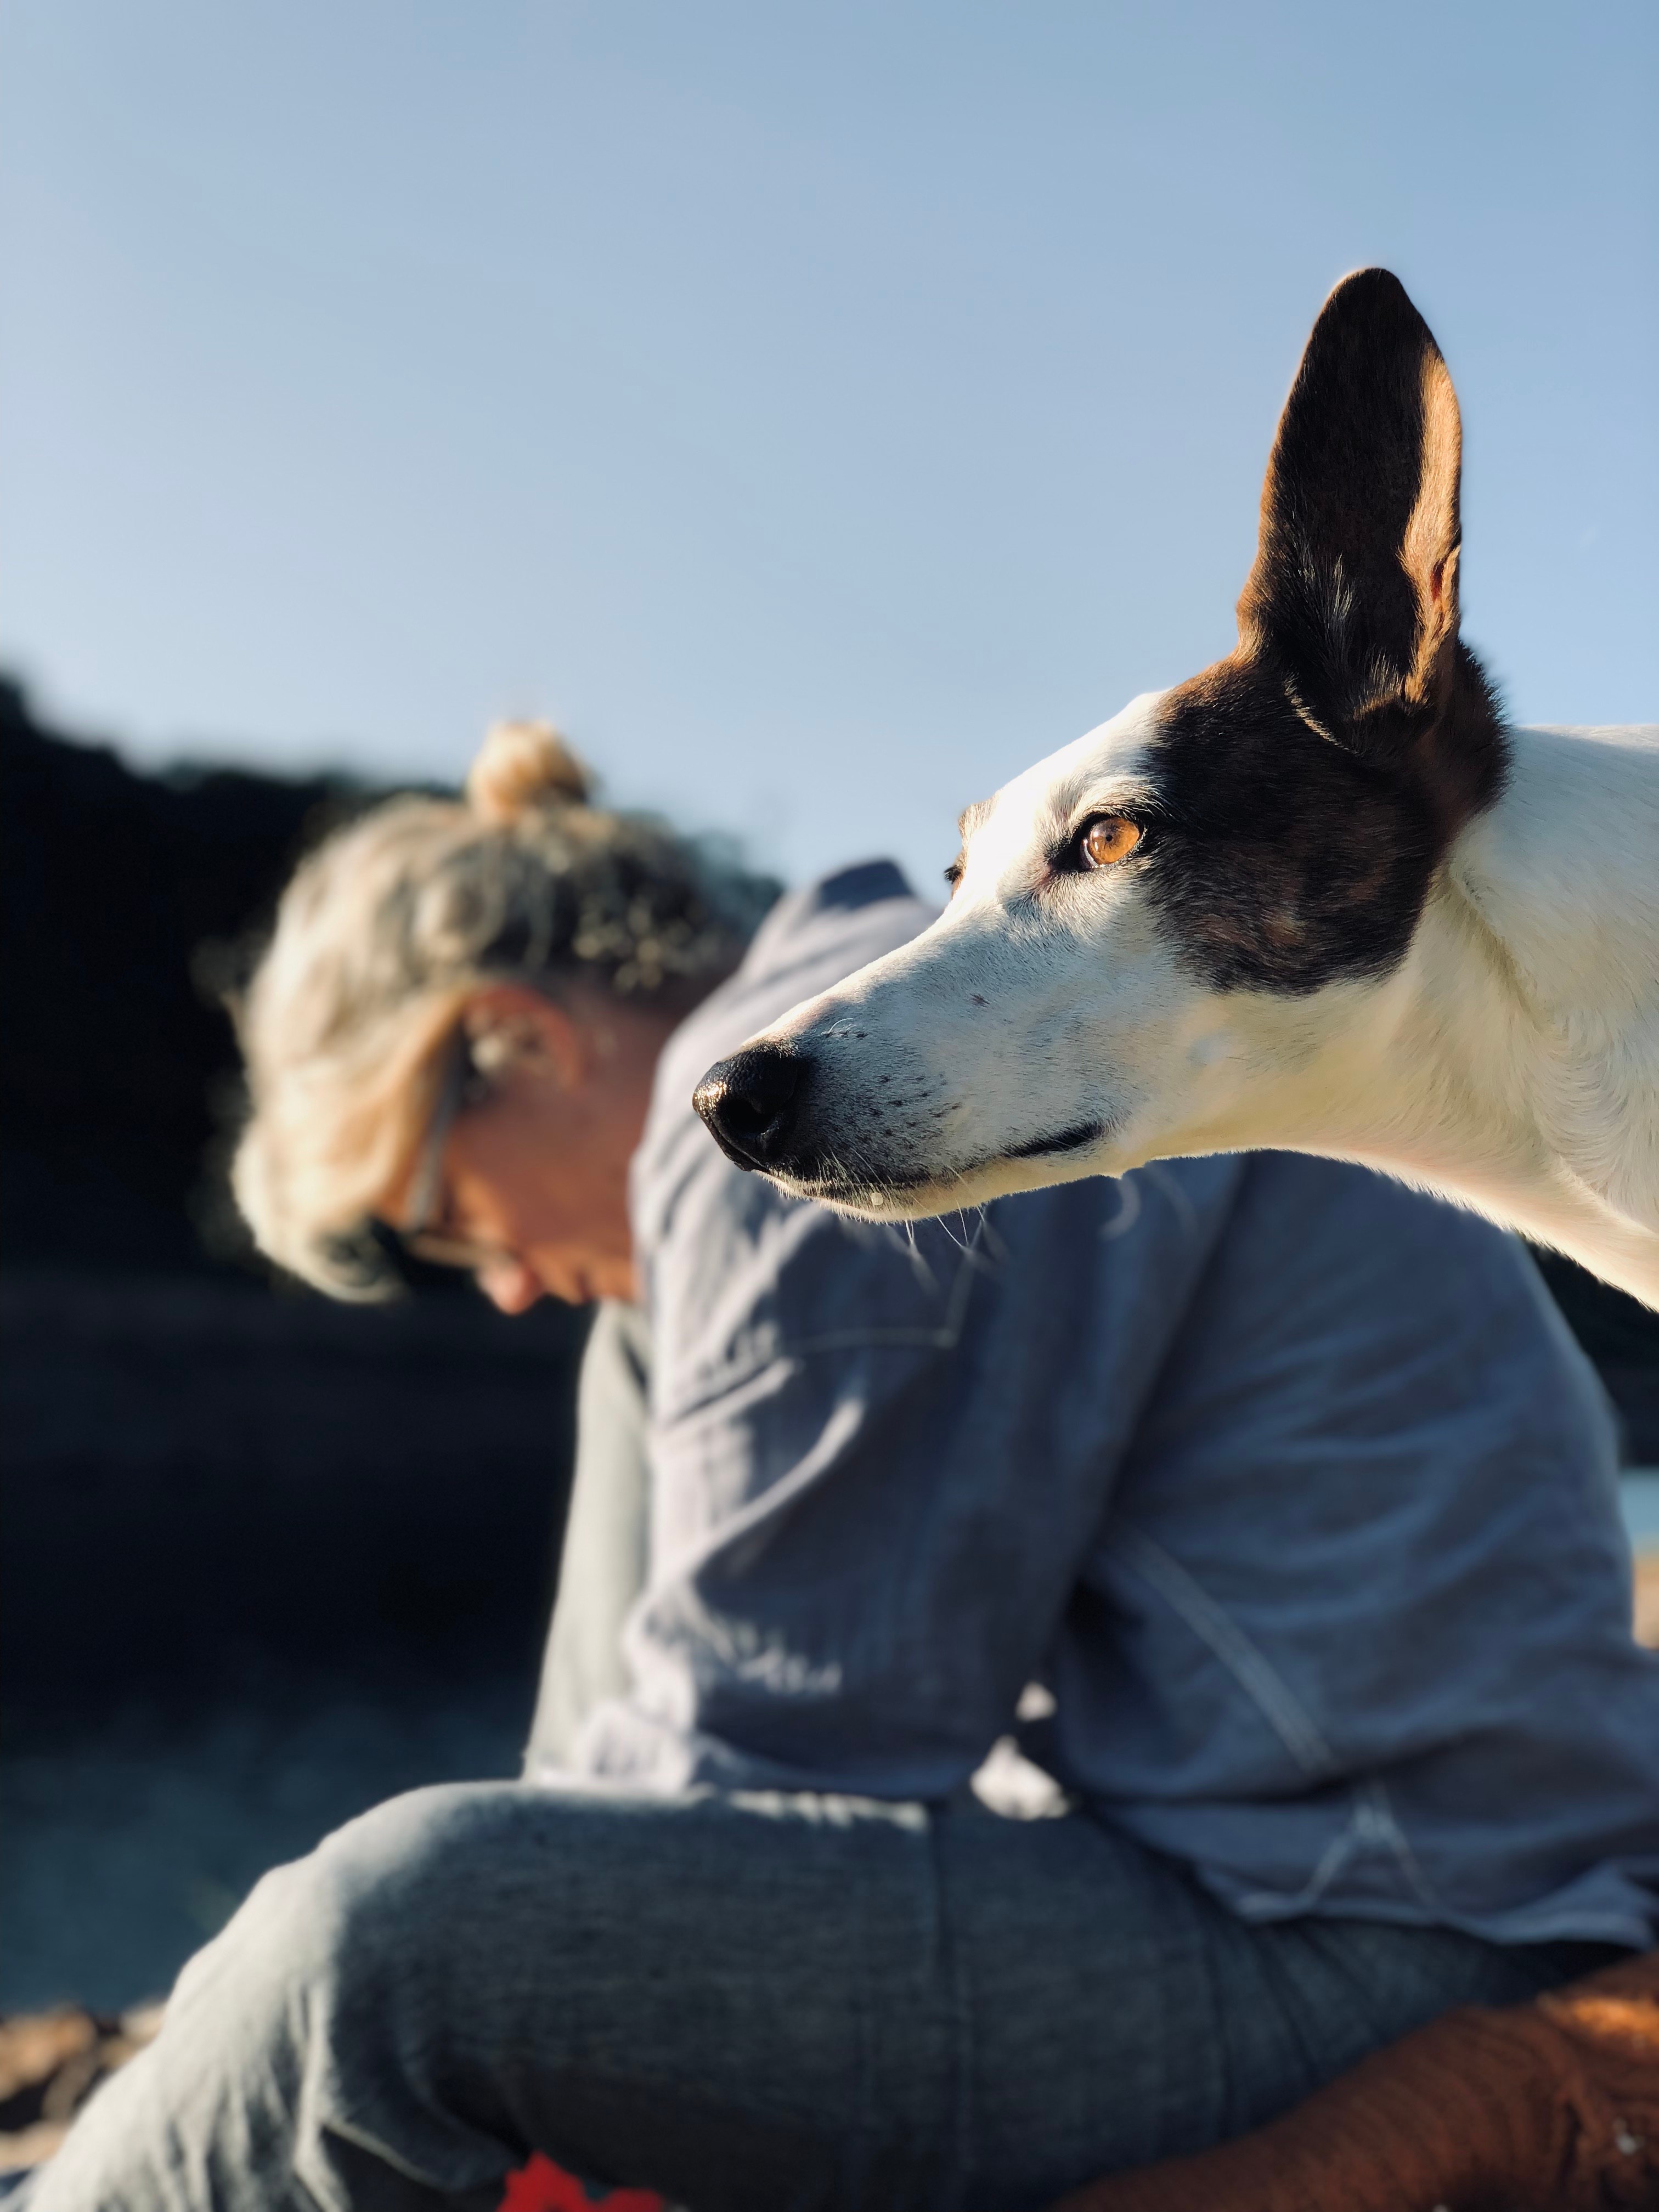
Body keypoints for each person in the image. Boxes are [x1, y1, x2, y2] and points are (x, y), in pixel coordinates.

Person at [28, 721, 1659, 2212]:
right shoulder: (921, 1020)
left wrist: (316, 2004)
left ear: (517, 1037)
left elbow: (780, 1757)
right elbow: (620, 1794)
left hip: (1378, 1935)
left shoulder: (853, 1112)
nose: (502, 1284)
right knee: (416, 1894)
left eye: (441, 1225)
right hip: (1378, 1871)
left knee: (381, 1941)